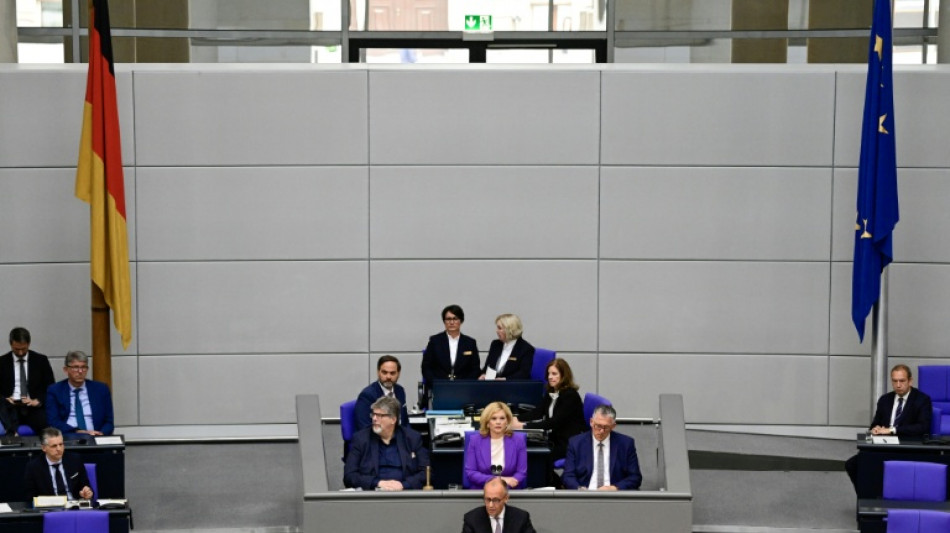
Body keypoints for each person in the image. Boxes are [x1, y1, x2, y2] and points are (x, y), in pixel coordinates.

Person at [845, 364, 932, 491]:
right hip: (884, 446)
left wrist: (892, 430)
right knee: (852, 464)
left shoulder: (922, 400)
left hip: (907, 448)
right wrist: (875, 429)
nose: (898, 385)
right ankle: (867, 499)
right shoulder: (885, 400)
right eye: (894, 381)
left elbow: (922, 427)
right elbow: (875, 423)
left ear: (910, 381)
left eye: (902, 381)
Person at [344, 396, 429, 490]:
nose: (374, 419)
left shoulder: (412, 438)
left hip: (404, 495)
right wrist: (377, 483)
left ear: (393, 419)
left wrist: (404, 485)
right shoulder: (361, 439)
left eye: (380, 415)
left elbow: (426, 473)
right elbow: (349, 476)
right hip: (373, 496)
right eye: (373, 414)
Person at [511, 358, 587, 461]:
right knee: (525, 448)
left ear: (564, 375)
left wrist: (523, 426)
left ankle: (547, 477)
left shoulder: (570, 396)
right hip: (554, 437)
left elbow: (553, 423)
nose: (550, 377)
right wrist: (516, 418)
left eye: (554, 374)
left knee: (536, 457)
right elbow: (538, 412)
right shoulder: (551, 391)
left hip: (567, 442)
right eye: (549, 374)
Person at [563, 404, 642, 490]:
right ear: (591, 422)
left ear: (613, 426)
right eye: (598, 426)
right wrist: (579, 489)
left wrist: (614, 488)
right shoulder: (576, 443)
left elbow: (635, 477)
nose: (601, 431)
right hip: (585, 494)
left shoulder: (625, 444)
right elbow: (568, 476)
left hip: (613, 495)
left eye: (606, 427)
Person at [0, 327, 55, 435]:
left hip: (33, 406)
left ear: (29, 344)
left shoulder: (41, 360)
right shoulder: (1, 362)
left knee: (46, 429)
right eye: (16, 349)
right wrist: (5, 399)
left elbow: (50, 387)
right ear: (11, 344)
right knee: (8, 430)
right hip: (9, 406)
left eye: (24, 349)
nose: (20, 353)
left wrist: (38, 401)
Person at [46, 351, 115, 436]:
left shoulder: (101, 389)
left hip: (96, 437)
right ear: (66, 369)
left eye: (84, 367)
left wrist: (101, 434)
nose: (80, 371)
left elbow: (108, 421)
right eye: (75, 367)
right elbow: (53, 421)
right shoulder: (55, 390)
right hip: (69, 437)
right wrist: (78, 432)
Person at [464, 401, 527, 489]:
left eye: (502, 418)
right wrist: (501, 480)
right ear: (487, 422)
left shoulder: (518, 441)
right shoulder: (475, 440)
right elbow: (471, 473)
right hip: (482, 490)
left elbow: (521, 473)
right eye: (494, 418)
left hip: (509, 491)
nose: (498, 422)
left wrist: (509, 483)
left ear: (507, 421)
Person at [421, 305, 480, 393]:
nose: (451, 322)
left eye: (455, 319)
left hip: (464, 388)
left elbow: (475, 368)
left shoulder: (470, 342)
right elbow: (426, 367)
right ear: (444, 321)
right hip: (439, 388)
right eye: (448, 319)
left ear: (461, 321)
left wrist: (465, 385)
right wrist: (437, 384)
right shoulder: (435, 341)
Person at [24, 427, 94, 501]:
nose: (59, 449)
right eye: (54, 446)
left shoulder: (75, 460)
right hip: (50, 509)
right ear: (44, 448)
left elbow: (87, 487)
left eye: (61, 444)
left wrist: (87, 493)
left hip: (74, 506)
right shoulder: (34, 467)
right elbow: (30, 497)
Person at [462, 476, 537, 533]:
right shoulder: (472, 519)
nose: (490, 505)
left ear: (506, 498)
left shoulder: (521, 518)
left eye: (496, 500)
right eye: (487, 499)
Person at [355, 355, 410, 431]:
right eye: (384, 372)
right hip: (378, 439)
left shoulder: (400, 391)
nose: (388, 377)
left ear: (398, 373)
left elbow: (405, 422)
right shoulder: (367, 395)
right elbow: (365, 429)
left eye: (392, 373)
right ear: (378, 372)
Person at [480, 314, 535, 380]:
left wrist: (505, 379)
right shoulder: (495, 344)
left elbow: (523, 374)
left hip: (512, 387)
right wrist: (483, 375)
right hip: (492, 385)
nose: (496, 331)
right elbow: (487, 367)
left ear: (510, 330)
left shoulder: (526, 349)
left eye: (499, 328)